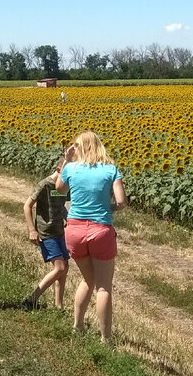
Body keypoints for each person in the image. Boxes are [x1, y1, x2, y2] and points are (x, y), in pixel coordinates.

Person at [54, 131, 128, 342]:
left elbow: (60, 189)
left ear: (79, 147)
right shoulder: (110, 169)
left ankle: (77, 326)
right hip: (100, 230)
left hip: (75, 230)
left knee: (87, 278)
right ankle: (106, 338)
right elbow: (122, 202)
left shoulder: (71, 169)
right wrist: (109, 207)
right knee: (103, 286)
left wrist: (66, 162)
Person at [21, 155, 70, 309]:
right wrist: (32, 230)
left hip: (60, 231)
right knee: (59, 268)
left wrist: (67, 217)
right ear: (58, 169)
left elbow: (61, 205)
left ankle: (58, 305)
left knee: (64, 267)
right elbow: (27, 206)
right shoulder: (45, 185)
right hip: (46, 232)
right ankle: (31, 299)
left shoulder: (64, 186)